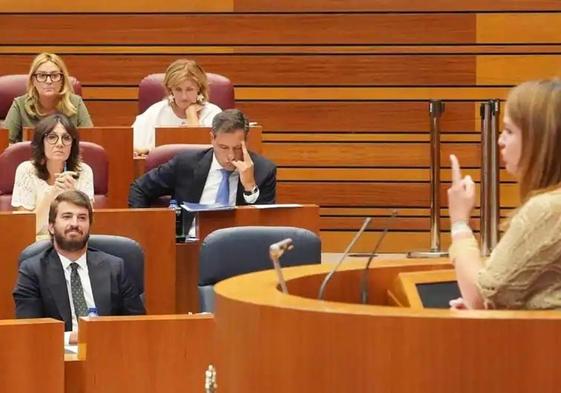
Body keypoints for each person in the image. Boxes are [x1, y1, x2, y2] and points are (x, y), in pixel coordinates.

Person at [447, 78, 561, 310]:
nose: (500, 141)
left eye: (509, 131)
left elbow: (482, 295)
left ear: (538, 138)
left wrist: (459, 223)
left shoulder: (548, 208)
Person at [13, 190, 145, 344]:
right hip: (56, 358)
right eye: (67, 217)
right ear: (51, 226)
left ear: (90, 225)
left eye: (82, 218)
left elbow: (137, 326)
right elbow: (29, 332)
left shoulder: (115, 267)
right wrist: (72, 338)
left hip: (109, 352)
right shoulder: (32, 271)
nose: (74, 224)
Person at [129, 109, 276, 233]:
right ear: (212, 138)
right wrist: (144, 229)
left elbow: (263, 227)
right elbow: (139, 188)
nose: (230, 156)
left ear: (246, 142)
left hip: (237, 249)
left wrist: (250, 186)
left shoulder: (263, 171)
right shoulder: (186, 163)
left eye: (237, 148)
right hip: (187, 246)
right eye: (223, 147)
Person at [11, 113, 94, 237]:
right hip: (36, 246)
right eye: (52, 137)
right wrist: (52, 194)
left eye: (66, 138)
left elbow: (87, 227)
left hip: (72, 242)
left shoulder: (84, 171)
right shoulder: (26, 171)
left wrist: (73, 195)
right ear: (41, 142)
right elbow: (25, 230)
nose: (60, 143)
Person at [133, 59, 222, 155]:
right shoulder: (155, 112)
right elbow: (133, 146)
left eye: (189, 89)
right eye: (178, 89)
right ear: (170, 90)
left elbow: (208, 155)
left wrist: (192, 116)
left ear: (199, 89)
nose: (184, 97)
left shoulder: (214, 114)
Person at [4, 52, 93, 144]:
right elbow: (4, 144)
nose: (48, 81)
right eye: (42, 76)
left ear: (62, 80)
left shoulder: (76, 103)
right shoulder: (20, 105)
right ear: (33, 80)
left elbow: (90, 143)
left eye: (54, 76)